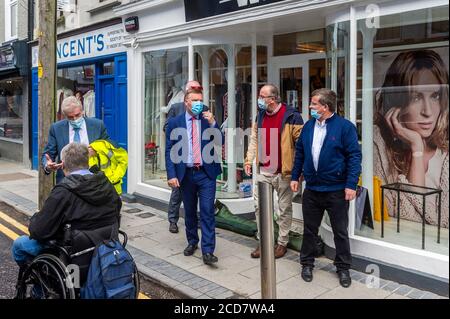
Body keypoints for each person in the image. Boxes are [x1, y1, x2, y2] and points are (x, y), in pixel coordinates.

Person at [291, 88, 362, 288]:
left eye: (314, 104)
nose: (310, 107)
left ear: (325, 106)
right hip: (312, 189)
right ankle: (307, 263)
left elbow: (355, 157)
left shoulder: (345, 127)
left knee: (340, 231)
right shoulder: (308, 127)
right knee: (309, 230)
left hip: (337, 191)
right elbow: (300, 153)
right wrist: (295, 176)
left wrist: (350, 184)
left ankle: (343, 268)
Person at [12, 143, 122, 269]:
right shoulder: (106, 184)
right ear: (88, 161)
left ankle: (38, 286)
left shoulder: (63, 192)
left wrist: (36, 219)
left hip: (73, 255)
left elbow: (39, 232)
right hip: (106, 245)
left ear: (62, 164)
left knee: (19, 244)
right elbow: (116, 212)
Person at [374, 49, 449, 228]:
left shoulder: (445, 153)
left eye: (435, 96)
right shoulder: (380, 148)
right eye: (416, 97)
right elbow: (402, 222)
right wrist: (417, 148)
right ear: (397, 102)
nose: (428, 111)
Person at [244, 84, 304, 259]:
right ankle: (264, 241)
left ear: (273, 99)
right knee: (259, 207)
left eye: (262, 96)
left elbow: (301, 145)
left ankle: (282, 242)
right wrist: (249, 160)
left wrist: (298, 171)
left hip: (283, 172)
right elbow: (254, 140)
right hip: (264, 170)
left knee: (284, 208)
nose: (259, 99)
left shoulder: (292, 116)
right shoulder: (260, 116)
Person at [165, 88, 222, 265]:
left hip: (206, 174)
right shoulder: (174, 122)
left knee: (207, 211)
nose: (199, 103)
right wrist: (172, 174)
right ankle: (192, 242)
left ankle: (208, 251)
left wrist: (213, 124)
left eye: (200, 100)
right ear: (186, 102)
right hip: (186, 175)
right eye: (194, 100)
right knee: (189, 212)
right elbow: (169, 150)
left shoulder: (207, 120)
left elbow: (220, 142)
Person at [163, 80, 206, 234]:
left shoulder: (203, 109)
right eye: (193, 89)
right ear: (187, 95)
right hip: (180, 156)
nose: (198, 102)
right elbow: (167, 127)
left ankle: (199, 220)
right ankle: (172, 220)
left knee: (199, 196)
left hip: (197, 160)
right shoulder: (175, 108)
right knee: (177, 193)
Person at [42, 96, 110, 183]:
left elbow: (108, 147)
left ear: (82, 111)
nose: (75, 119)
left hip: (94, 180)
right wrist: (47, 165)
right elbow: (48, 154)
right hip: (66, 182)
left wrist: (96, 150)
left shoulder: (98, 125)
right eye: (70, 117)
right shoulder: (56, 128)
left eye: (77, 115)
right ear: (64, 116)